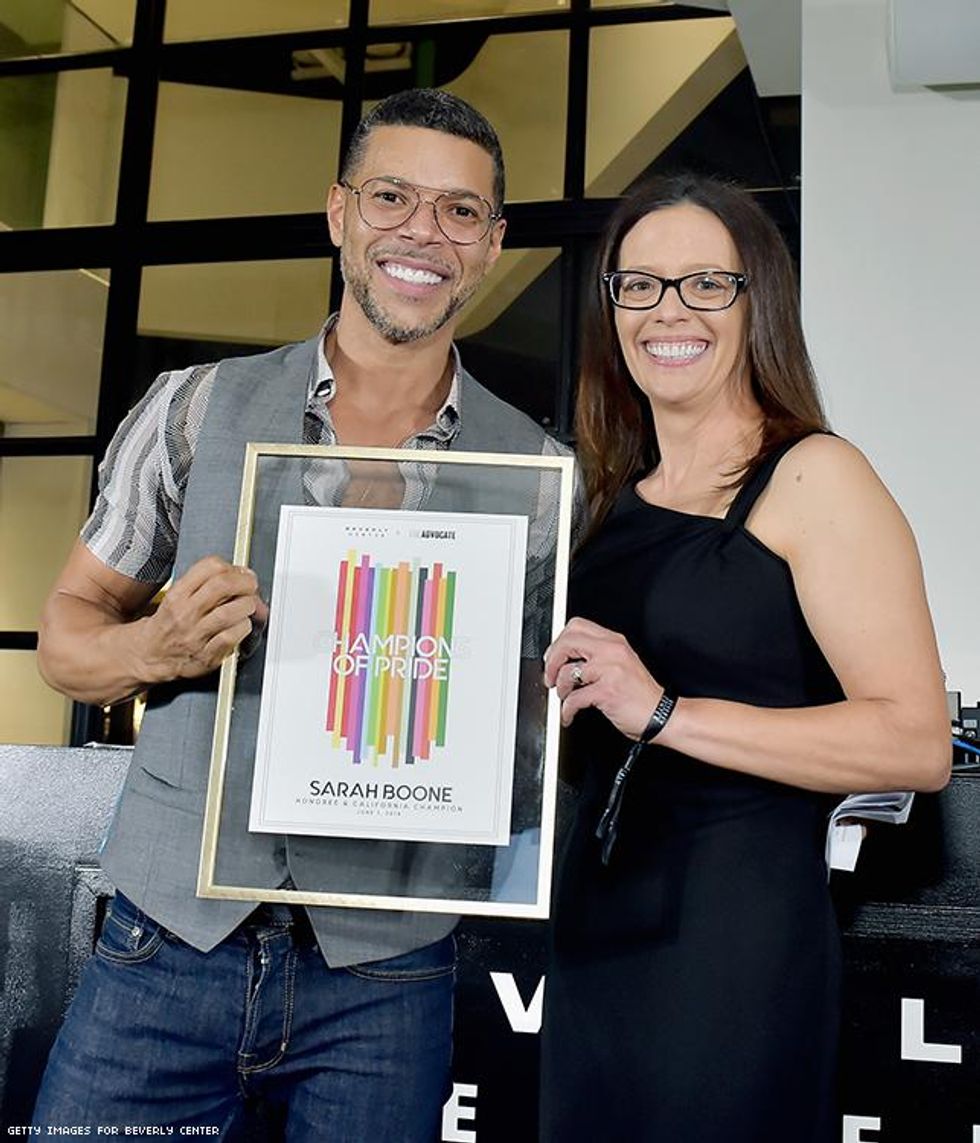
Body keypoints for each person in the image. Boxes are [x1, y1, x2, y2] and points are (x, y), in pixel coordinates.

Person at [33, 88, 568, 1141]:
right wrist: (154, 645)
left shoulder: (539, 474)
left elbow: (521, 734)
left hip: (386, 970)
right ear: (337, 214)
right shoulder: (194, 406)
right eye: (392, 197)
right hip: (164, 945)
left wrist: (548, 717)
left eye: (461, 212)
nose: (423, 231)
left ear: (493, 245)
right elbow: (65, 635)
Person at [538, 173, 950, 1143]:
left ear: (752, 299)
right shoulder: (603, 498)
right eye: (636, 285)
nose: (664, 312)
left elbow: (913, 741)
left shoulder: (811, 475)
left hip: (730, 938)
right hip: (595, 928)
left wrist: (665, 712)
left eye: (701, 284)